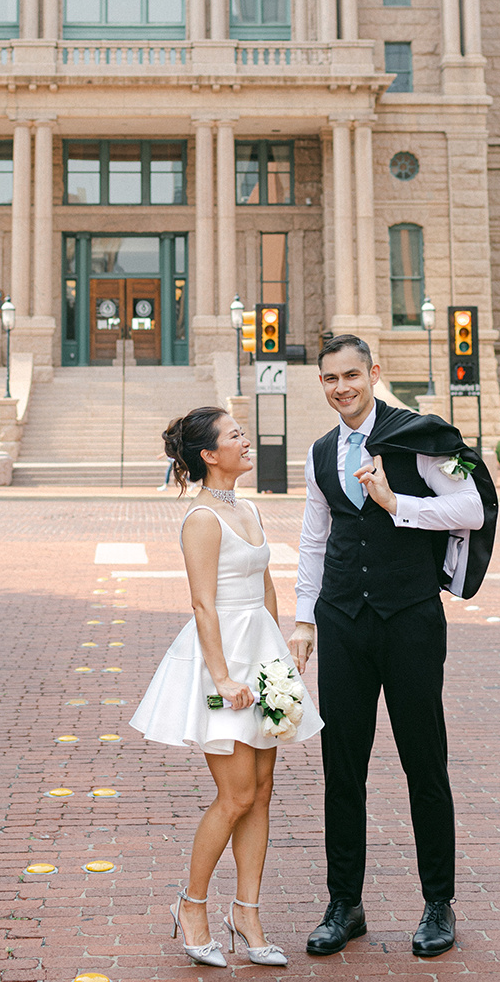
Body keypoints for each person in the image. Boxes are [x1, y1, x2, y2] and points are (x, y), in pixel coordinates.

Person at [289, 334, 498, 960]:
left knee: (423, 761)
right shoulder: (321, 452)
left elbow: (472, 508)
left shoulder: (420, 436)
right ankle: (344, 903)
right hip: (344, 621)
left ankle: (439, 903)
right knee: (341, 767)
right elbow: (314, 539)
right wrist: (304, 619)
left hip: (409, 619)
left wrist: (395, 502)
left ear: (373, 373)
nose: (342, 388)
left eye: (352, 375)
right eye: (331, 379)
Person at [131, 405, 322, 969]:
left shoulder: (250, 508)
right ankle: (192, 906)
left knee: (263, 790)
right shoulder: (201, 519)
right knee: (236, 794)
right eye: (234, 435)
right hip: (222, 662)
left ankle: (247, 913)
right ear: (209, 455)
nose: (245, 439)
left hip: (260, 655)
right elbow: (201, 603)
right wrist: (223, 677)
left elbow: (265, 586)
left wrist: (280, 659)